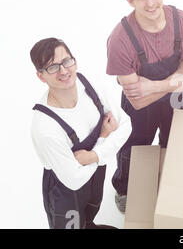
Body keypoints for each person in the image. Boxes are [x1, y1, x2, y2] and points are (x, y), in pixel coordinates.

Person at [106, 0, 183, 213]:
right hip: (141, 110)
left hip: (176, 101)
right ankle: (125, 188)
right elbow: (138, 101)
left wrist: (155, 85)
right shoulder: (120, 39)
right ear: (130, 0)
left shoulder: (182, 21)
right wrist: (179, 76)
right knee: (134, 146)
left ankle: (167, 182)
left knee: (175, 143)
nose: (150, 3)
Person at [30, 38, 132, 229]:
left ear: (74, 61)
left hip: (93, 176)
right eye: (52, 67)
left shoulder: (89, 85)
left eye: (66, 61)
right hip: (65, 191)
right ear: (41, 76)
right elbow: (74, 180)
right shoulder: (45, 127)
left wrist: (92, 156)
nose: (63, 71)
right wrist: (103, 140)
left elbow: (126, 125)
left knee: (90, 213)